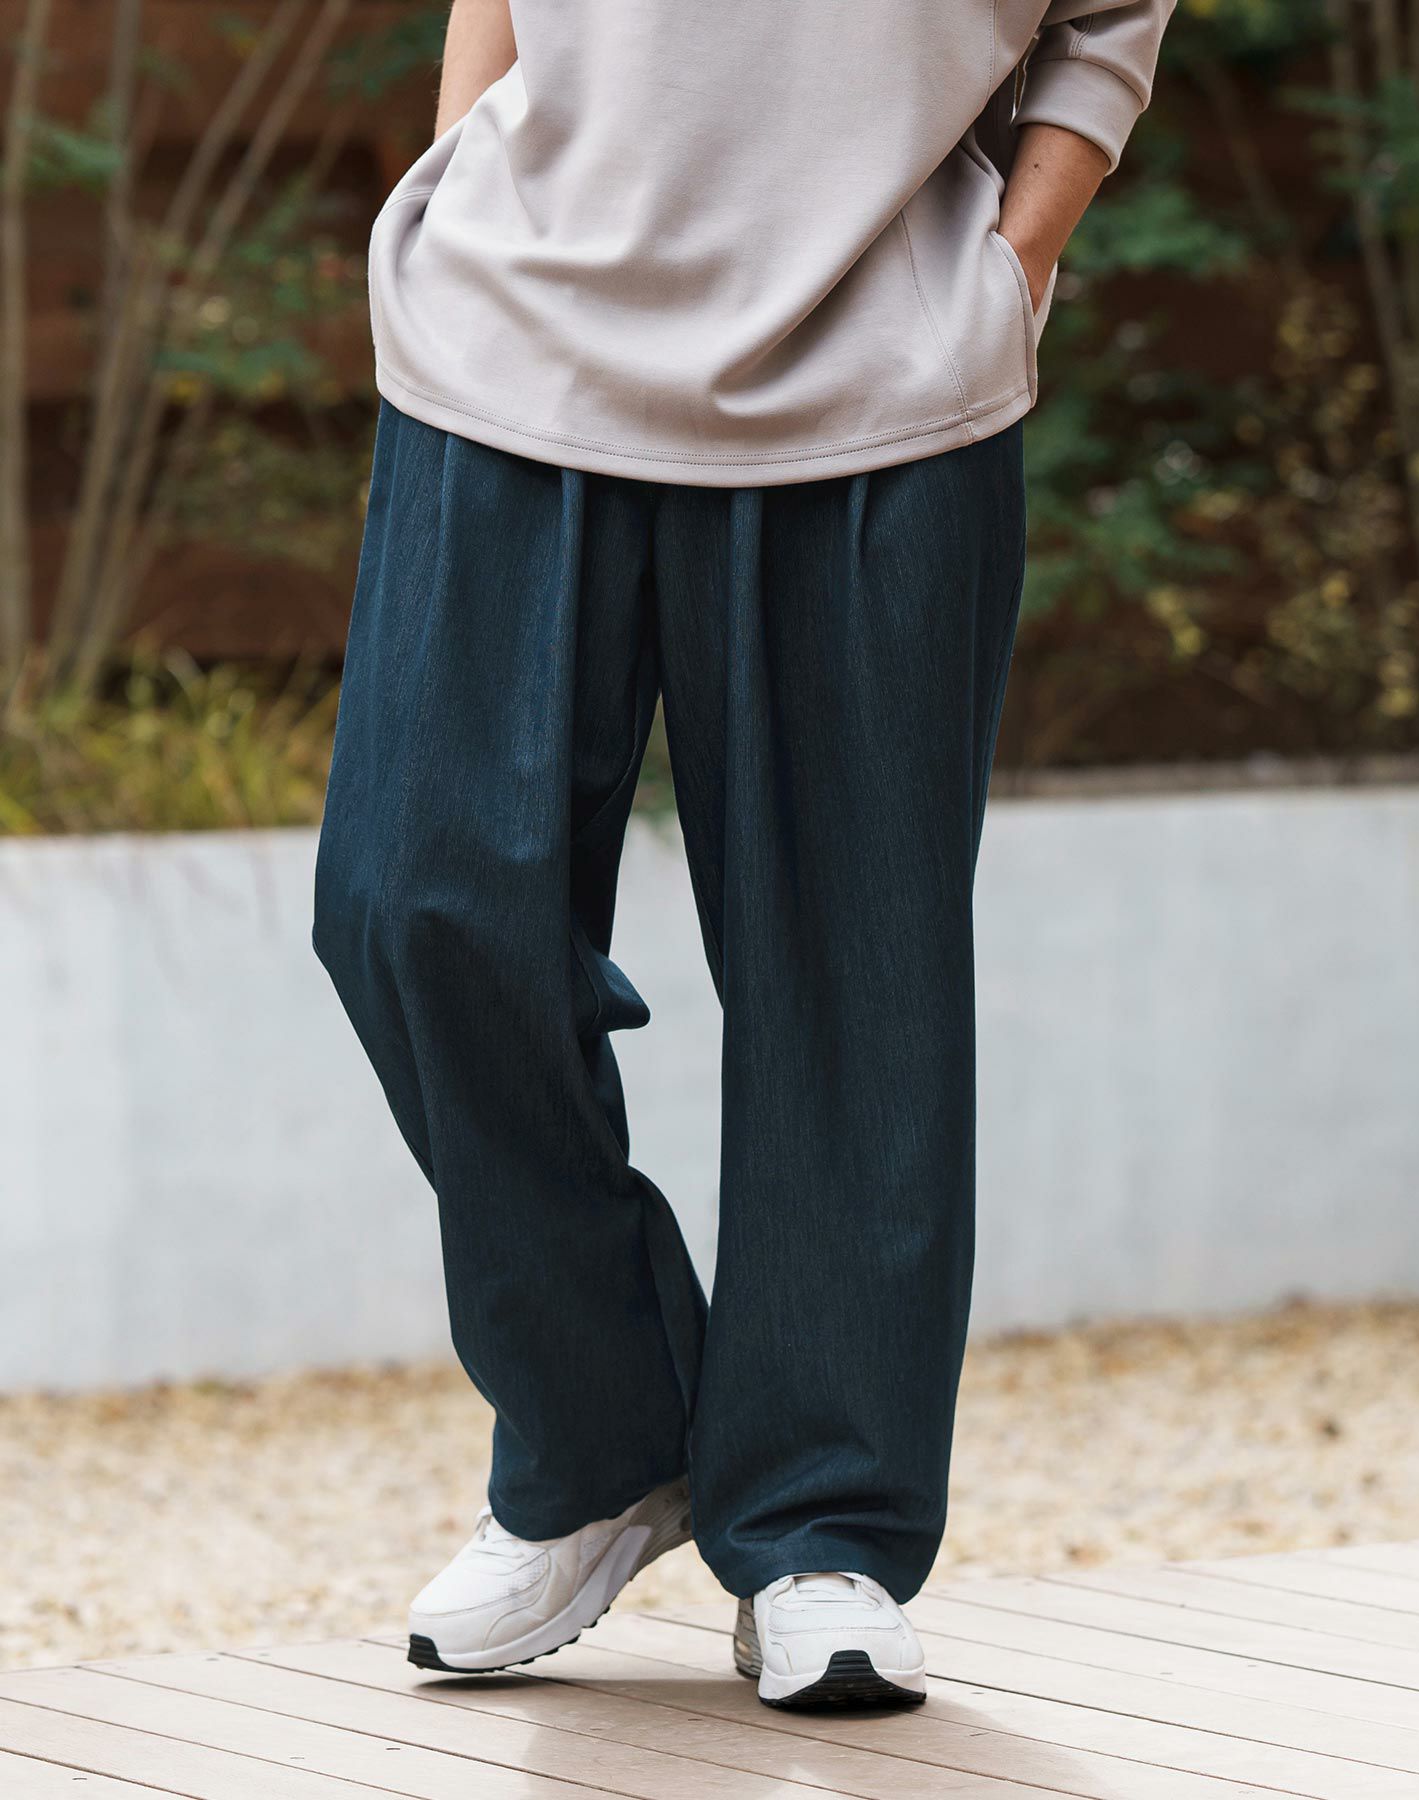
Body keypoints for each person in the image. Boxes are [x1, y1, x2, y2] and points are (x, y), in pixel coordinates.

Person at [314, 0, 1174, 1711]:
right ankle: (602, 1433)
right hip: (511, 335)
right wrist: (459, 173)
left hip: (882, 372)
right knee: (414, 901)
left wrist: (1012, 266)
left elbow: (1110, 18)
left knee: (856, 969)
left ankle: (822, 1526)